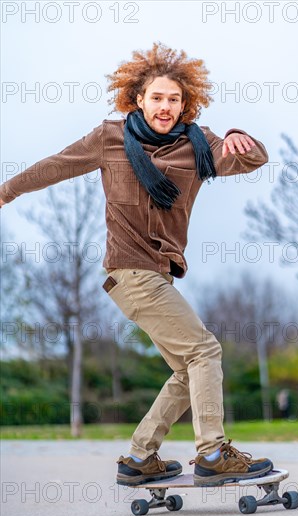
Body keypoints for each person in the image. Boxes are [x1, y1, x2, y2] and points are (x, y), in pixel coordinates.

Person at [0, 43, 273, 486]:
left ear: (186, 104)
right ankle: (212, 452)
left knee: (189, 367)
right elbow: (55, 166)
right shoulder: (108, 139)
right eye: (157, 98)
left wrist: (245, 137)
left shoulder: (198, 144)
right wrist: (6, 190)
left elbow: (253, 158)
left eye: (175, 99)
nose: (166, 107)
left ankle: (140, 457)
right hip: (131, 271)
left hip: (157, 275)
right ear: (138, 99)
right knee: (205, 350)